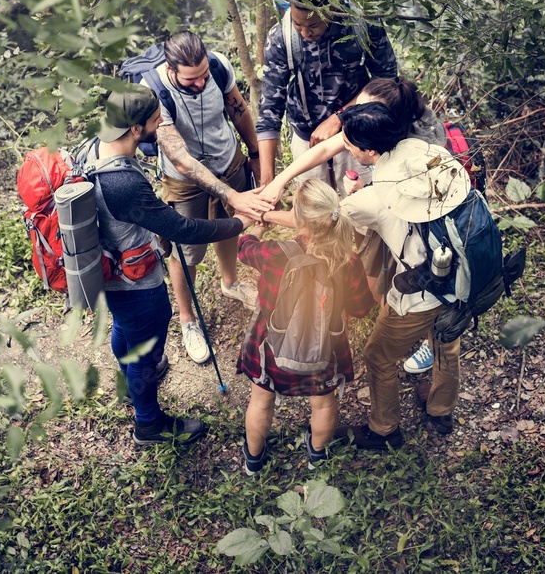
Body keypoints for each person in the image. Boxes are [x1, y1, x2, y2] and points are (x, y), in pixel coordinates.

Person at [264, 103, 470, 449]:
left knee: (378, 355)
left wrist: (267, 216)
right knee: (446, 340)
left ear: (369, 150)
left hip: (421, 292)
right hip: (463, 276)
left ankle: (384, 430)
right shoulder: (426, 152)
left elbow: (320, 222)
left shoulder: (376, 197)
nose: (345, 147)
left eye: (349, 143)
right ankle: (440, 409)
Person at [88, 84, 257, 446]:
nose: (161, 122)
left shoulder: (90, 149)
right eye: (154, 119)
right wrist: (240, 222)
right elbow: (183, 229)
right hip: (137, 285)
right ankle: (148, 423)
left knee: (127, 331)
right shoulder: (123, 184)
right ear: (136, 130)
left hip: (108, 274)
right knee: (146, 354)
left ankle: (129, 375)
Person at [260, 77, 446, 374]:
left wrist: (267, 216)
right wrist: (280, 181)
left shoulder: (413, 153)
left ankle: (432, 336)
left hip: (414, 218)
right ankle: (388, 309)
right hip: (377, 201)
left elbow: (325, 220)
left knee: (419, 274)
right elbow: (325, 150)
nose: (355, 115)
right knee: (376, 272)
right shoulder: (372, 128)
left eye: (364, 109)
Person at [144, 31, 274, 364]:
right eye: (191, 80)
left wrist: (256, 152)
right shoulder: (154, 93)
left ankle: (230, 283)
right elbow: (180, 158)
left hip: (228, 160)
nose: (201, 83)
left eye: (204, 75)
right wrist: (233, 194)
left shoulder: (217, 65)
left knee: (229, 227)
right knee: (186, 252)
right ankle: (188, 321)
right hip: (185, 182)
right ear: (171, 68)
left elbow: (239, 109)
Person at [236, 180, 374, 474]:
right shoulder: (347, 261)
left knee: (261, 400)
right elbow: (362, 309)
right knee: (323, 404)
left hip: (270, 344)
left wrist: (258, 228)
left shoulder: (274, 254)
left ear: (299, 223)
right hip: (325, 347)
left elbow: (243, 249)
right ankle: (316, 458)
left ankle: (253, 461)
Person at [255, 0, 399, 191]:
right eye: (297, 24)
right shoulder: (281, 37)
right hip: (305, 133)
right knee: (315, 212)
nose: (305, 32)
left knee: (361, 207)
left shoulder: (361, 25)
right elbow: (270, 109)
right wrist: (268, 181)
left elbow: (387, 82)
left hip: (357, 131)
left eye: (313, 25)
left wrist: (340, 117)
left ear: (331, 10)